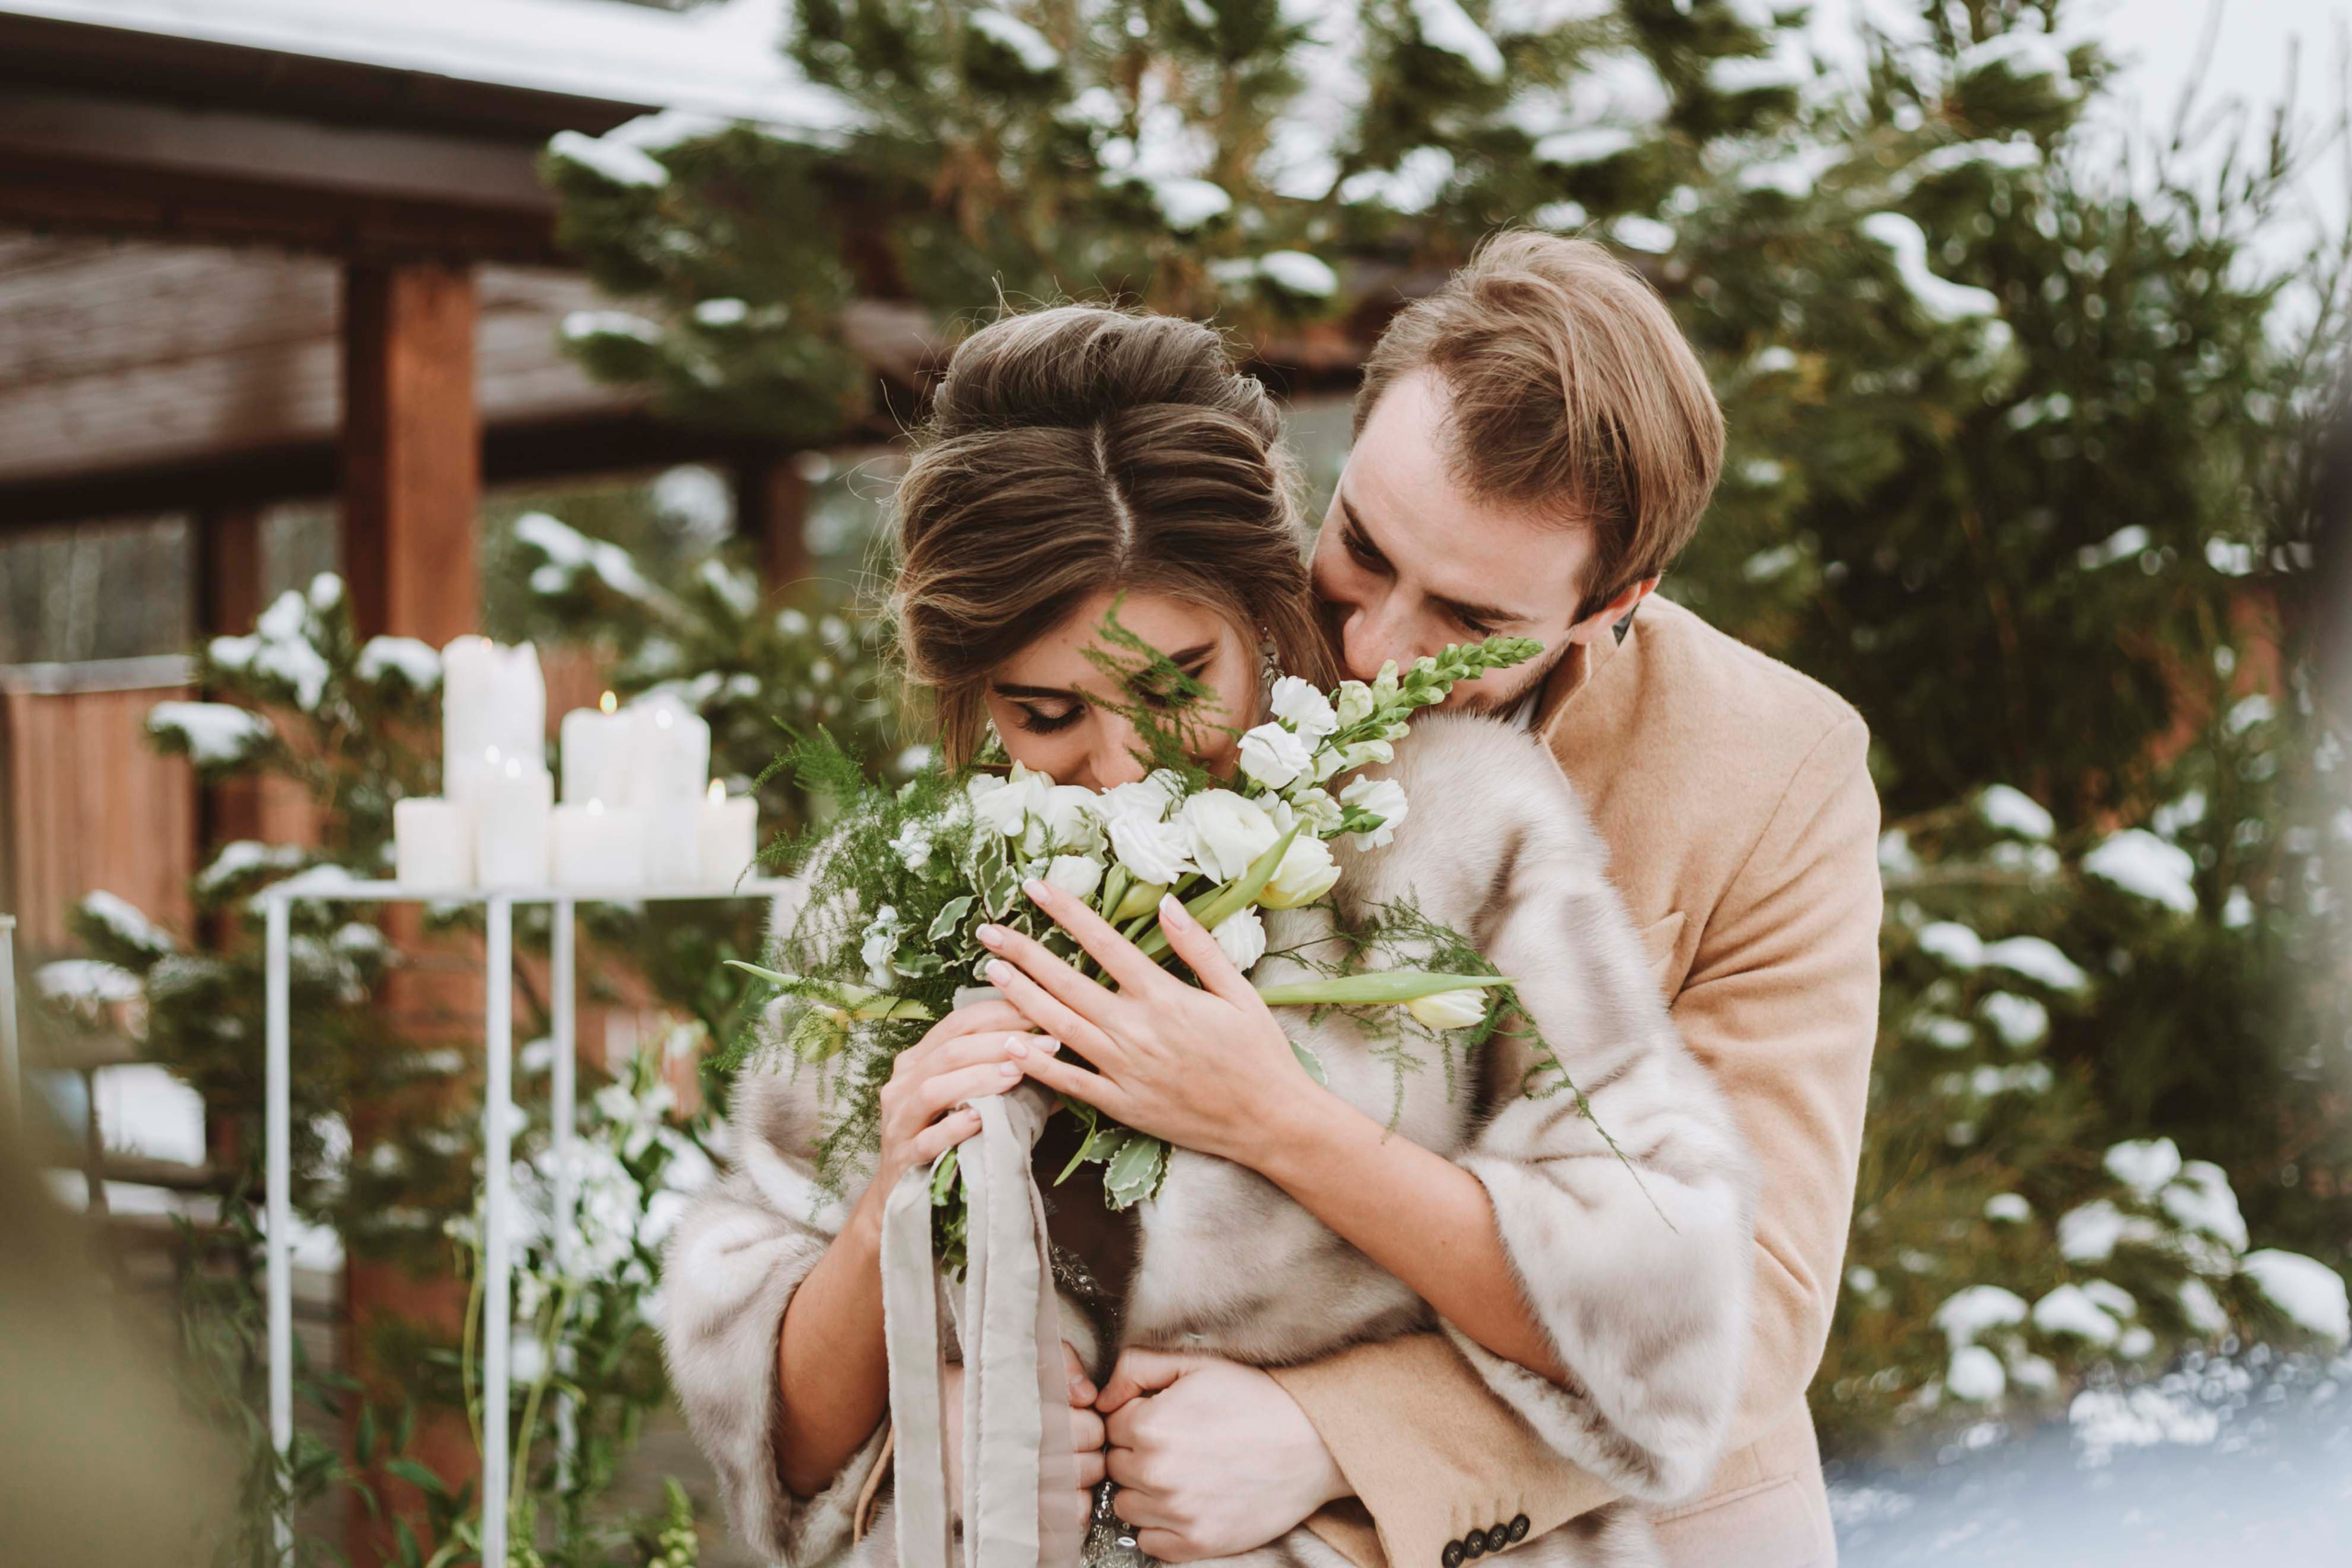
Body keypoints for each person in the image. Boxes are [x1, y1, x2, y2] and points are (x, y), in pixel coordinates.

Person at [659, 302, 1760, 1566]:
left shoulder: (1459, 844)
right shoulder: (874, 900)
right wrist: (888, 1250)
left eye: (1181, 683)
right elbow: (778, 1446)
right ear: (967, 690)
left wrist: (1279, 1122)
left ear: (1264, 614)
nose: (1125, 766)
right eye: (1044, 708)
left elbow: (1669, 1311)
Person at [1034, 235, 1883, 1568]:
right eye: (1362, 549)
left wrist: (1335, 1432)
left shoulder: (1779, 773)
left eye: (1470, 624)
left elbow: (1750, 1307)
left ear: (1615, 605)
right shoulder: (1181, 629)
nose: (1374, 647)